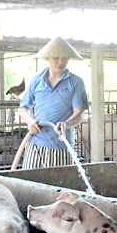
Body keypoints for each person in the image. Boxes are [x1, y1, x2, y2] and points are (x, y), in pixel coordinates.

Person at [18, 37, 89, 169]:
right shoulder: (36, 80)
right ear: (47, 58)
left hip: (62, 145)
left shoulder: (76, 82)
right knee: (30, 184)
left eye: (65, 58)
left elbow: (79, 113)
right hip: (35, 144)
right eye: (56, 57)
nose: (60, 62)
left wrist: (66, 123)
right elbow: (23, 108)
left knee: (60, 188)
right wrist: (29, 121)